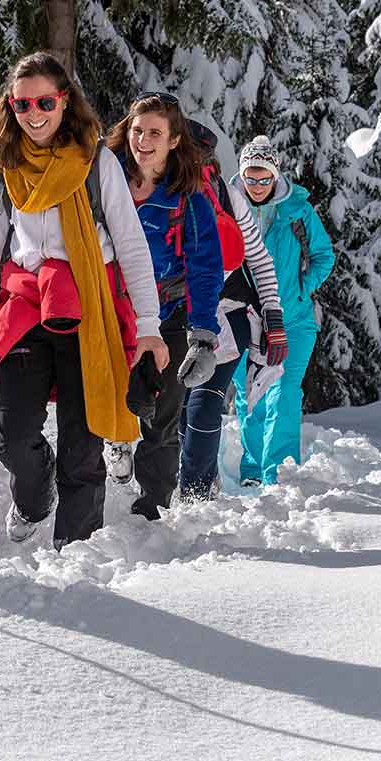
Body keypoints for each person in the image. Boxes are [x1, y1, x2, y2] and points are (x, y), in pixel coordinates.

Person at [0, 53, 168, 547]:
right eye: (22, 103)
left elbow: (130, 243)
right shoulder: (5, 168)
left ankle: (77, 559)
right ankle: (33, 491)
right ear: (11, 106)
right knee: (11, 434)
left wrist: (149, 327)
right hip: (27, 305)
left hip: (89, 306)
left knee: (82, 448)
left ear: (64, 101)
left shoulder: (96, 162)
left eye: (45, 101)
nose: (34, 112)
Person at [106, 93, 225, 520]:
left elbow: (206, 265)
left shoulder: (187, 195)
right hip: (112, 310)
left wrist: (203, 334)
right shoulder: (105, 177)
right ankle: (116, 440)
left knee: (163, 413)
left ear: (174, 140)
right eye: (137, 130)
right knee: (109, 396)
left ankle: (150, 506)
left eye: (155, 132)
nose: (143, 140)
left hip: (168, 312)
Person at [176, 121, 286, 499]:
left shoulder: (224, 194)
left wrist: (273, 316)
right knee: (178, 406)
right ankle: (194, 478)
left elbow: (259, 259)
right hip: (174, 314)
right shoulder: (141, 189)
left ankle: (194, 493)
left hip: (228, 312)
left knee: (205, 401)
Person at [229, 135, 335, 487]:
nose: (257, 185)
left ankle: (281, 473)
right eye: (250, 178)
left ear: (275, 176)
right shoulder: (226, 207)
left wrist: (302, 289)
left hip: (293, 319)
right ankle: (252, 471)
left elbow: (323, 255)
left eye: (264, 178)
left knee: (285, 391)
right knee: (248, 397)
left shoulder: (297, 211)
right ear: (241, 176)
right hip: (243, 319)